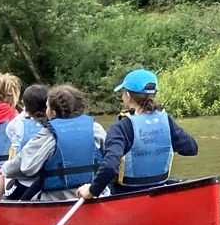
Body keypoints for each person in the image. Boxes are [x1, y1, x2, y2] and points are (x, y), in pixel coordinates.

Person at [85, 68, 200, 197]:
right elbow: (191, 148)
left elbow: (110, 166)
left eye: (123, 92)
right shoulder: (166, 120)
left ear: (127, 96)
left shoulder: (120, 127)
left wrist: (91, 191)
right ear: (154, 95)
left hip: (125, 194)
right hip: (159, 189)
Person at [0, 85, 107, 202]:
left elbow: (23, 165)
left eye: (47, 107)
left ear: (53, 113)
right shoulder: (95, 129)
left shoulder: (48, 134)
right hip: (93, 194)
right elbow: (109, 158)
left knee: (14, 183)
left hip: (56, 199)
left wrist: (4, 169)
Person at [5, 82, 49, 155]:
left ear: (25, 106)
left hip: (25, 161)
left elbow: (9, 131)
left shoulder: (19, 122)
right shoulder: (54, 121)